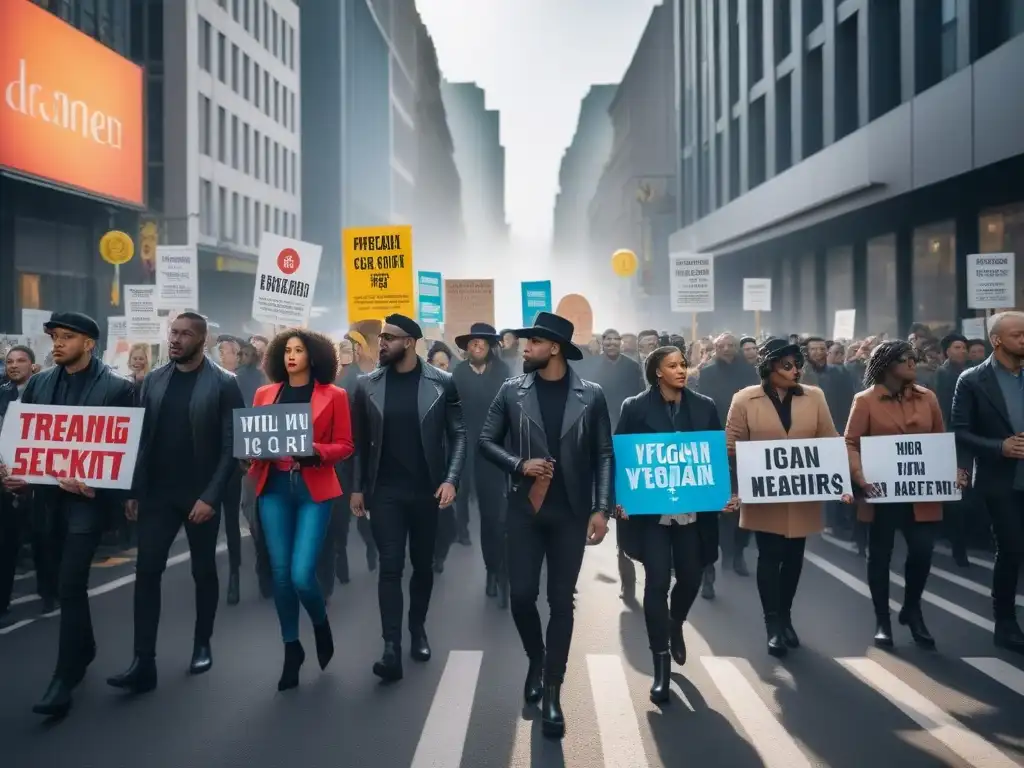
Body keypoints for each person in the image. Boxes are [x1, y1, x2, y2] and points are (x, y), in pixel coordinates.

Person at [479, 311, 612, 739]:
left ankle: (552, 689)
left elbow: (604, 455)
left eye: (533, 342)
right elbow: (485, 441)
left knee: (560, 601)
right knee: (520, 596)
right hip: (524, 511)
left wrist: (602, 508)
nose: (525, 348)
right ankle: (537, 658)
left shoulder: (591, 396)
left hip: (571, 514)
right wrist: (519, 464)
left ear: (553, 348)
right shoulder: (511, 391)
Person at [0, 313, 136, 717]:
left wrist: (100, 483)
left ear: (89, 343)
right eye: (55, 337)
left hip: (88, 503)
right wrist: (15, 472)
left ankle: (65, 676)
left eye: (66, 337)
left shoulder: (117, 387)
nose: (57, 344)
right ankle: (86, 647)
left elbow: (127, 449)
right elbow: (25, 437)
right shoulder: (41, 383)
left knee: (72, 580)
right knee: (63, 580)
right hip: (47, 500)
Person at [108, 312, 244, 695]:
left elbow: (231, 447)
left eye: (186, 334)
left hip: (199, 495)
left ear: (202, 340)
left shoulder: (224, 384)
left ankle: (202, 644)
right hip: (158, 495)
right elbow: (142, 439)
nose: (176, 339)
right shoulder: (154, 379)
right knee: (147, 572)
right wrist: (133, 490)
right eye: (174, 333)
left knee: (203, 571)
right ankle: (143, 661)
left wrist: (211, 496)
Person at [349, 314, 466, 682]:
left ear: (410, 343)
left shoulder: (443, 383)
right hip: (385, 491)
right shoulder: (366, 385)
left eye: (389, 337)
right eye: (380, 337)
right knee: (390, 566)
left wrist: (451, 480)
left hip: (427, 491)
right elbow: (359, 444)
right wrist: (357, 487)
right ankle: (390, 647)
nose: (381, 343)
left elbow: (459, 435)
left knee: (422, 566)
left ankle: (417, 630)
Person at [725, 338, 848, 658]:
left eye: (798, 365)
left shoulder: (815, 396)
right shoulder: (743, 400)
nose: (796, 371)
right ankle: (772, 625)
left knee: (794, 557)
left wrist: (842, 482)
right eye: (788, 365)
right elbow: (730, 446)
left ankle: (786, 616)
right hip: (764, 495)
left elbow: (830, 440)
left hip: (802, 495)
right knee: (769, 555)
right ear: (769, 367)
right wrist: (741, 482)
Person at [614, 345, 722, 703]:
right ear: (657, 372)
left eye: (684, 364)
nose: (681, 370)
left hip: (692, 514)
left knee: (691, 576)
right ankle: (661, 665)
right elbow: (621, 456)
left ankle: (676, 622)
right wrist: (620, 498)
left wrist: (725, 492)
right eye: (672, 365)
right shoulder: (634, 407)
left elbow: (716, 457)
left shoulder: (705, 406)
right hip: (651, 516)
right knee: (657, 581)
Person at [248, 329, 354, 690]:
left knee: (301, 575)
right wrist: (251, 451)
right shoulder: (264, 394)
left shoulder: (335, 395)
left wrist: (317, 452)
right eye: (288, 350)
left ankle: (320, 624)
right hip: (273, 487)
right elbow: (252, 439)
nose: (292, 356)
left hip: (313, 487)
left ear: (315, 357)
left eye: (299, 350)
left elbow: (345, 445)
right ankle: (291, 647)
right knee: (279, 574)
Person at [846, 340, 960, 648]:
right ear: (887, 364)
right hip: (881, 493)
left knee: (922, 552)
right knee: (879, 557)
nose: (913, 363)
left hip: (921, 493)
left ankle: (912, 608)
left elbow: (940, 441)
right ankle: (883, 620)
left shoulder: (929, 398)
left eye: (914, 358)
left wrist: (954, 472)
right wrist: (860, 475)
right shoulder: (865, 400)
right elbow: (851, 442)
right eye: (906, 359)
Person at [951, 311, 1024, 653]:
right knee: (1011, 548)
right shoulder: (971, 380)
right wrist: (1000, 446)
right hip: (1001, 482)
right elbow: (961, 432)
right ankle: (1005, 622)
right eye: (1018, 334)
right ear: (997, 340)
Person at [446, 323, 511, 599]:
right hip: (464, 447)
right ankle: (488, 565)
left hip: (494, 451)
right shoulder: (457, 374)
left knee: (493, 516)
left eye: (483, 342)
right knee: (460, 500)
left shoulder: (503, 373)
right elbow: (450, 411)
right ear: (467, 347)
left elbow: (511, 410)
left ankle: (496, 571)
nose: (478, 346)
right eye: (473, 342)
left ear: (490, 346)